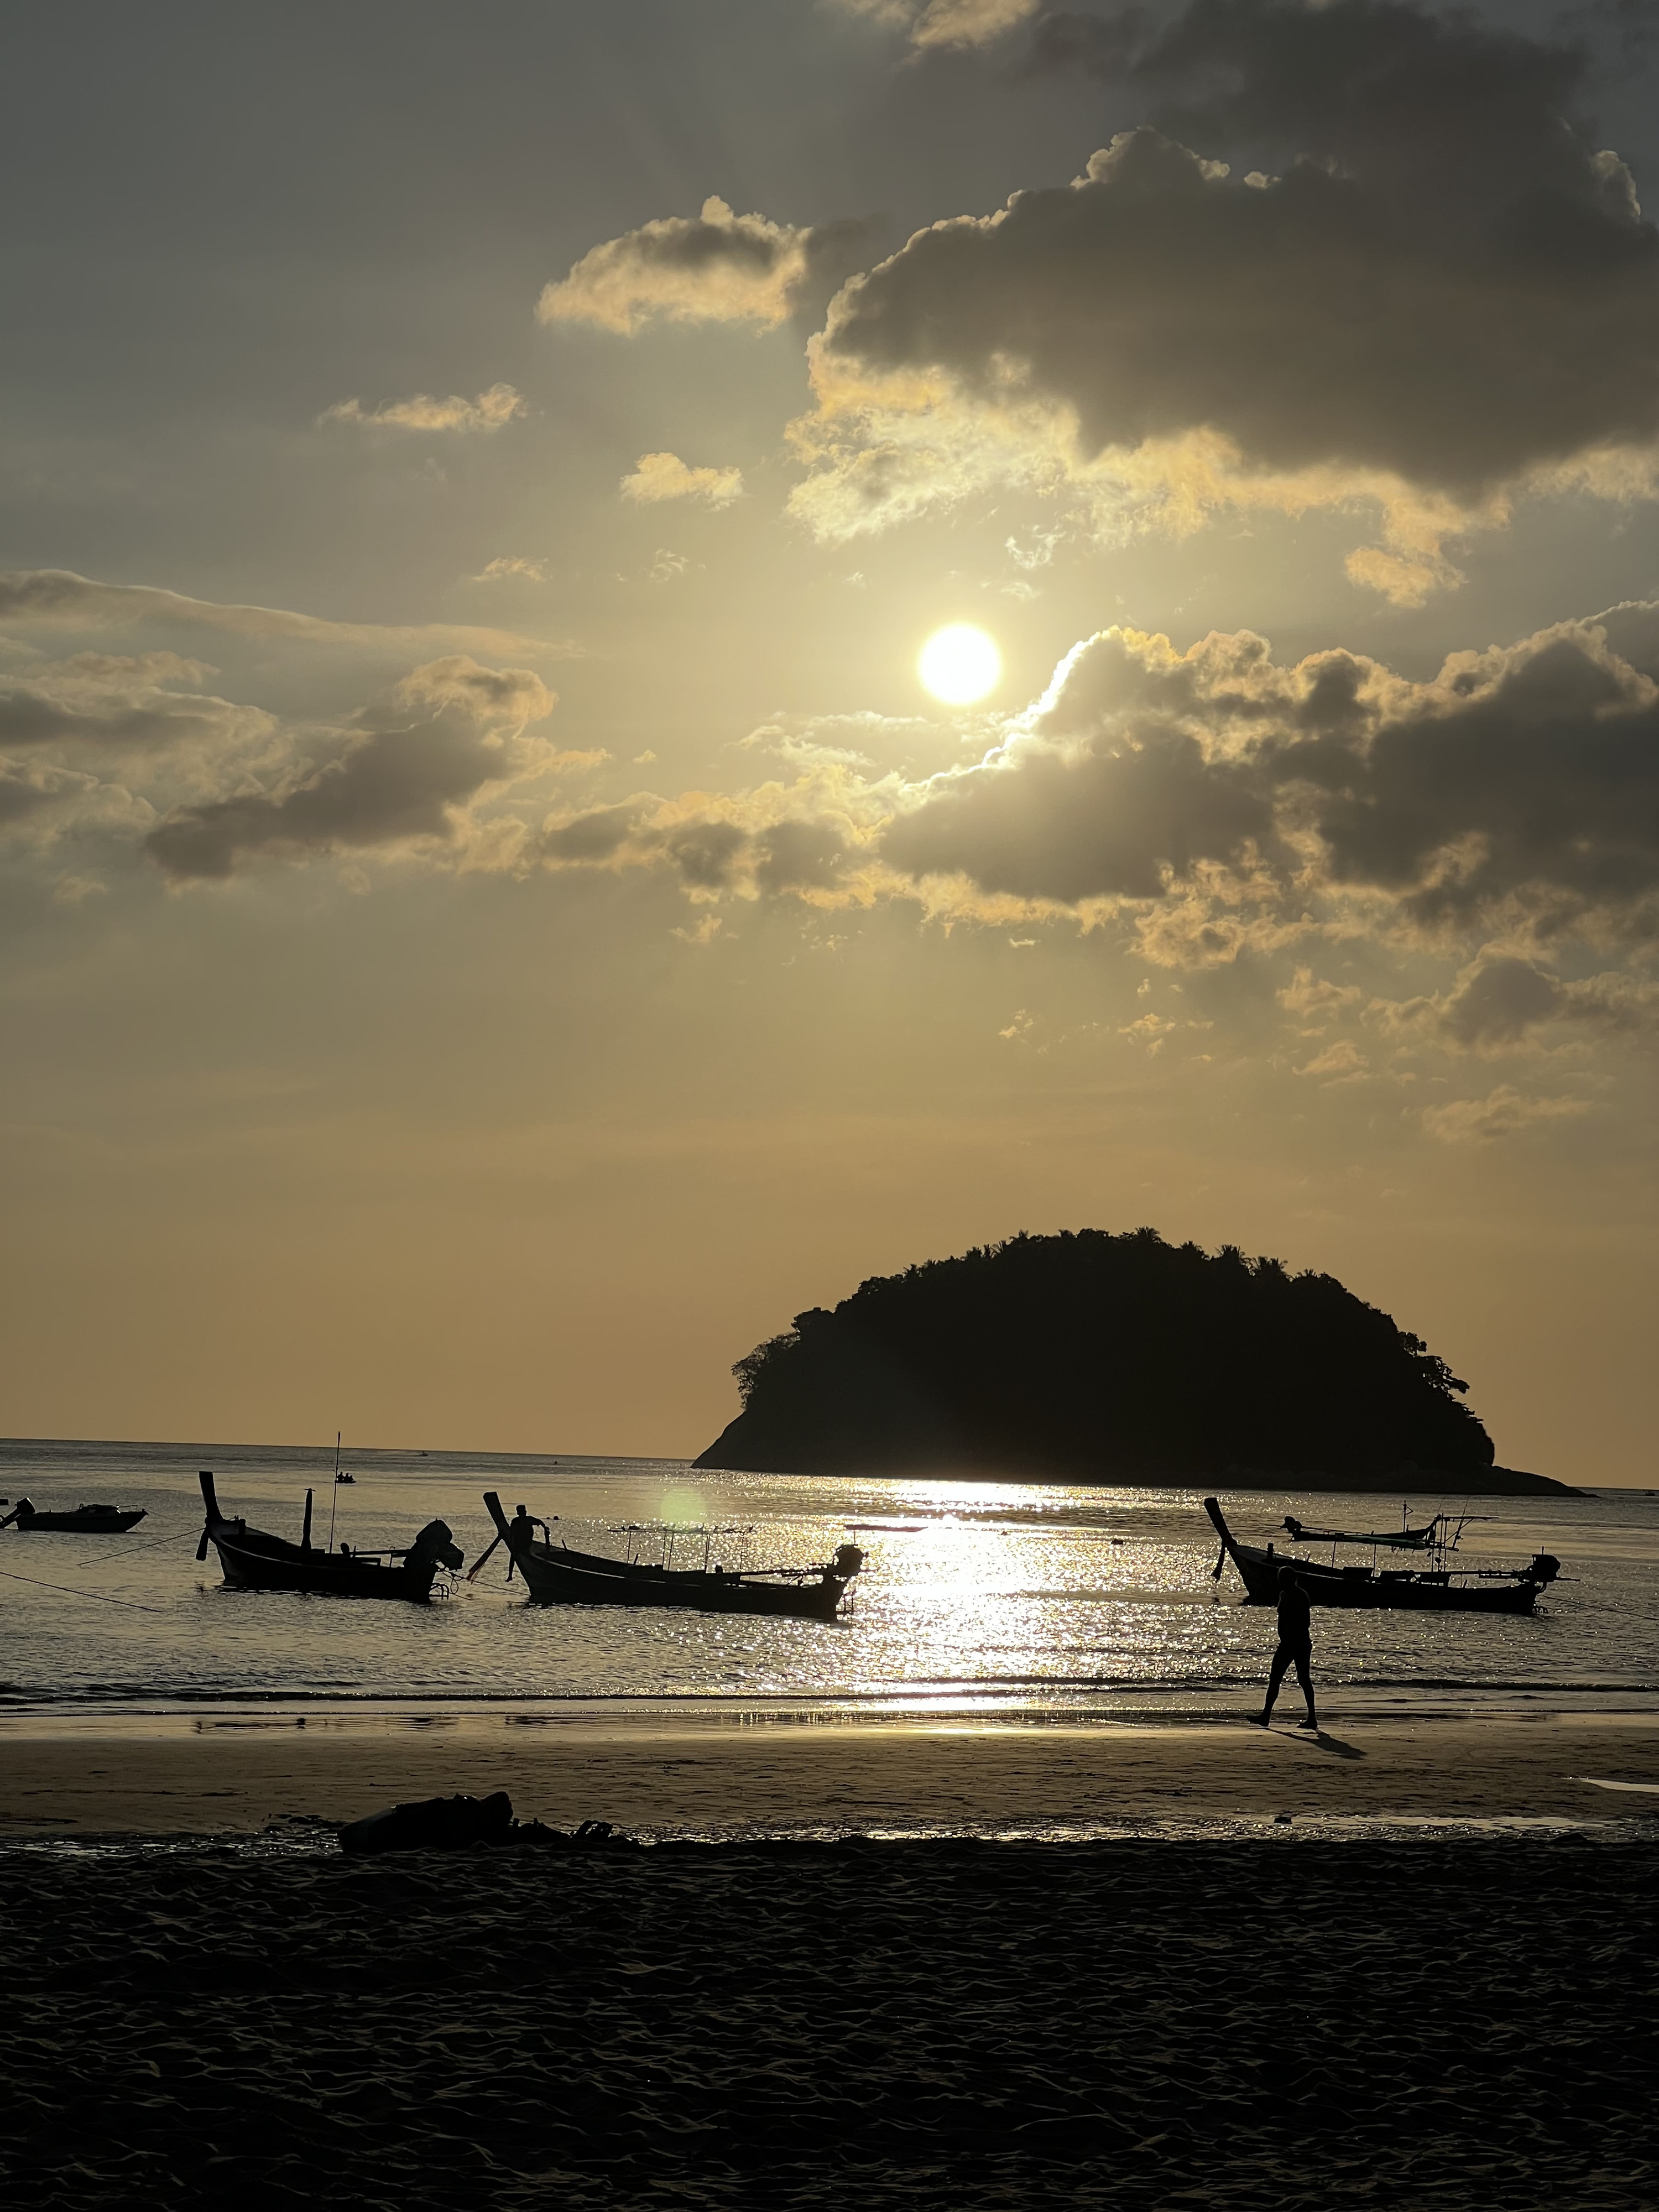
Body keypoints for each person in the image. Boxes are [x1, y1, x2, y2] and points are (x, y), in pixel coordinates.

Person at [1255, 1566, 1317, 1730]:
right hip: (1287, 1643)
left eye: (1283, 1579)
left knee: (1303, 1679)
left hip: (1298, 1643)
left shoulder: (1300, 1596)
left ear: (1291, 1579)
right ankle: (1266, 1715)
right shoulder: (1283, 1595)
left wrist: (1292, 1637)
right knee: (1275, 1678)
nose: (1280, 1582)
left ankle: (1312, 1718)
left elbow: (1306, 1622)